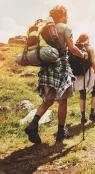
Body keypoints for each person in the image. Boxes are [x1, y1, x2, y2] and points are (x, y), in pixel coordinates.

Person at [25, 5, 87, 144]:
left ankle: (33, 125)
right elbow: (71, 48)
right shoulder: (65, 28)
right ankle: (60, 132)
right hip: (61, 67)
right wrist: (82, 54)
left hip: (47, 67)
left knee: (48, 99)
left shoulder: (45, 28)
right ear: (63, 15)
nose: (68, 17)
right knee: (63, 100)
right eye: (66, 15)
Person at [72, 34, 95, 123]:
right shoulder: (89, 47)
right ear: (87, 39)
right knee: (94, 92)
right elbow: (93, 62)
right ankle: (92, 114)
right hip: (88, 72)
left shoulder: (75, 47)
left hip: (78, 74)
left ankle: (83, 117)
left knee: (82, 95)